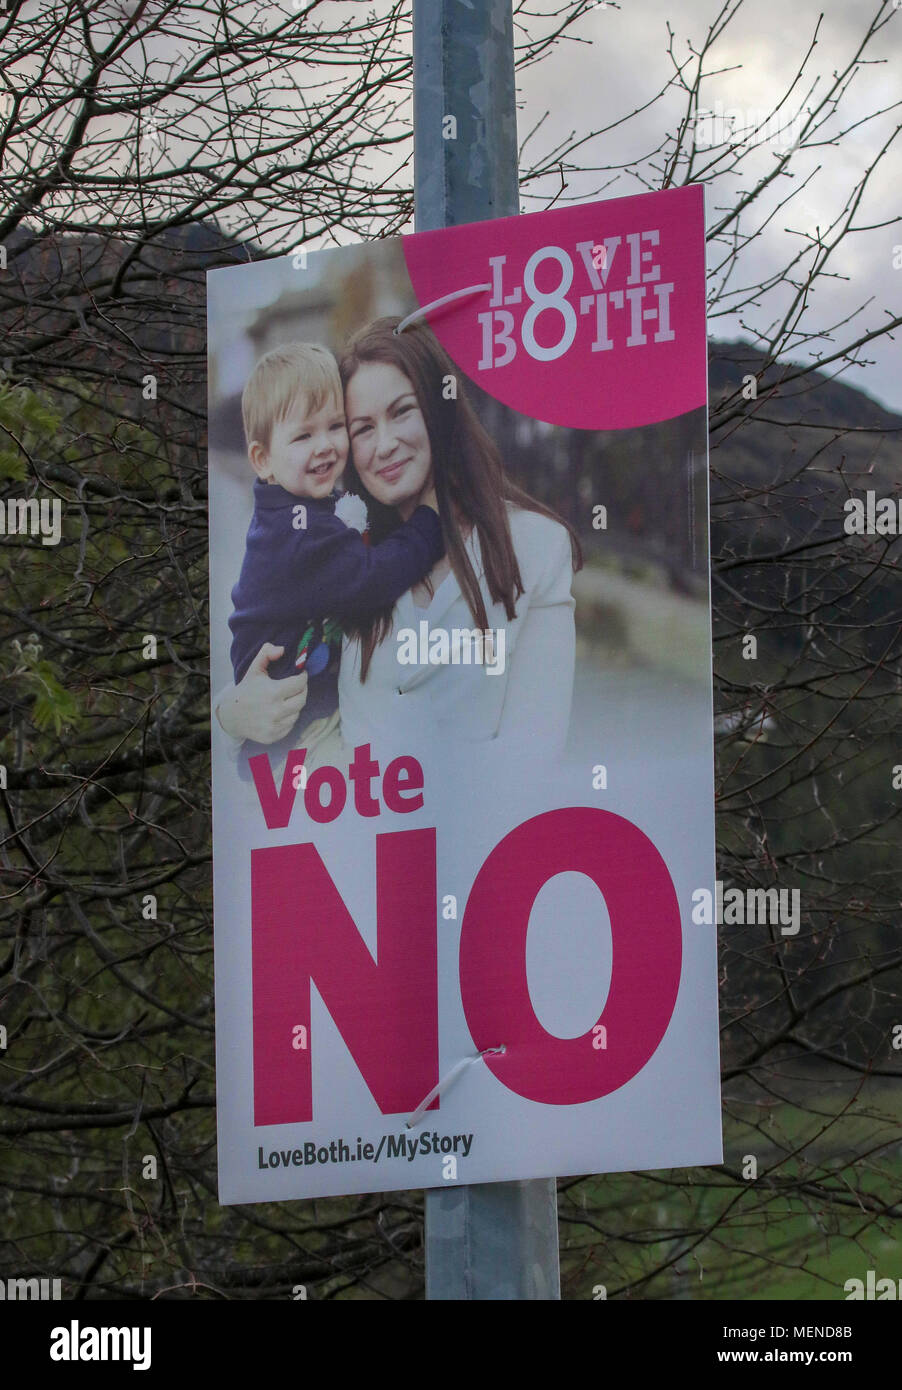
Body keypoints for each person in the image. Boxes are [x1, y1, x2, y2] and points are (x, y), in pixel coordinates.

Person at [216, 317, 581, 764]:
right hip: (341, 816)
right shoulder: (346, 541)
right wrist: (231, 712)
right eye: (363, 427)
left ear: (438, 408)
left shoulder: (536, 546)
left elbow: (534, 757)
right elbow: (267, 647)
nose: (385, 444)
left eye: (402, 411)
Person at [222, 340, 445, 769]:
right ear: (262, 458)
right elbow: (374, 577)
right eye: (304, 435)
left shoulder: (297, 510)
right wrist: (427, 524)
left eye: (335, 426)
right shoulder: (297, 534)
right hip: (296, 736)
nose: (325, 445)